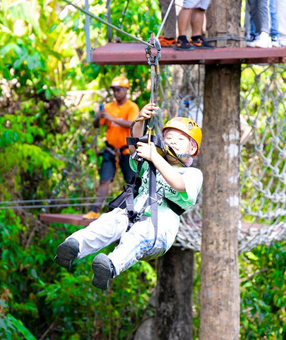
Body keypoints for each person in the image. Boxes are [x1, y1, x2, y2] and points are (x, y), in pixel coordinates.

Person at [55, 106, 203, 290]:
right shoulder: (150, 161)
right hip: (131, 215)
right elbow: (135, 146)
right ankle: (74, 246)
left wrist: (155, 158)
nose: (173, 142)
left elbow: (179, 185)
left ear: (192, 147)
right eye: (169, 138)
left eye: (180, 139)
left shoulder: (193, 174)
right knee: (108, 222)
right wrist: (140, 119)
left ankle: (110, 266)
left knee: (137, 236)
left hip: (158, 231)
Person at [83, 76, 140, 220]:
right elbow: (97, 125)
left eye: (119, 90)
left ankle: (134, 211)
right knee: (104, 180)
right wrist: (99, 116)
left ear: (126, 90)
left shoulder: (132, 107)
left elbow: (132, 124)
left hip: (126, 152)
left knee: (131, 182)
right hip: (110, 150)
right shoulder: (109, 107)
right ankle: (95, 210)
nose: (116, 93)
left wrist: (111, 118)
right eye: (114, 90)